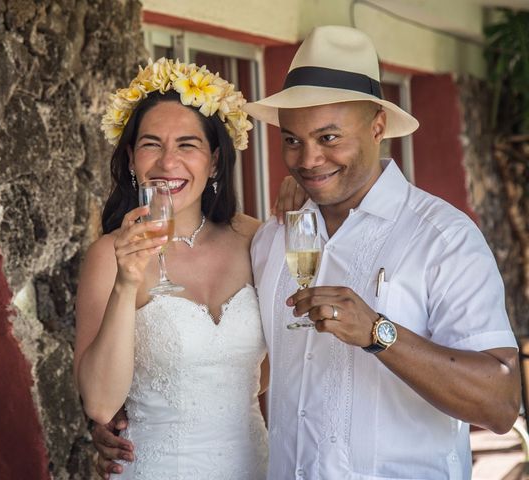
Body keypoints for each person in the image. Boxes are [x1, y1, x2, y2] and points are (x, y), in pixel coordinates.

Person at [94, 26, 522, 479]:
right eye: (293, 140)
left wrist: (379, 333)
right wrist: (139, 417)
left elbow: (499, 403)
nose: (309, 159)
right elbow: (242, 365)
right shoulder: (272, 238)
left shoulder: (443, 237)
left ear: (378, 125)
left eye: (330, 138)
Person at [74, 58, 269, 479]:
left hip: (255, 464)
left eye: (187, 144)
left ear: (214, 161)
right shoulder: (109, 255)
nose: (167, 162)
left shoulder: (258, 241)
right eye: (150, 144)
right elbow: (101, 405)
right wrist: (126, 283)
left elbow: (282, 360)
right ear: (130, 158)